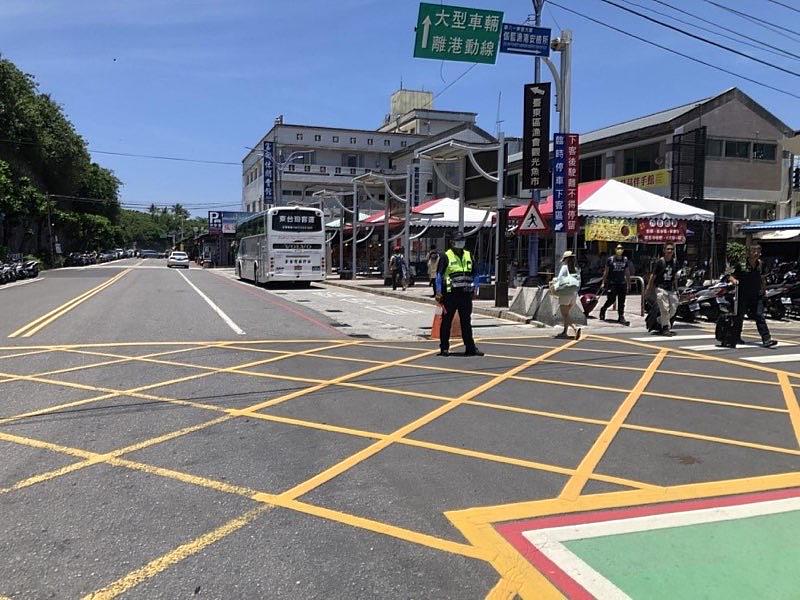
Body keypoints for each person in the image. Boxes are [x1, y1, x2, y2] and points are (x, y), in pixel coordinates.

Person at [435, 233, 483, 357]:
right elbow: (439, 275)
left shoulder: (469, 255)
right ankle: (444, 348)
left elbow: (476, 273)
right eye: (458, 241)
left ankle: (470, 348)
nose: (461, 243)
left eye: (462, 240)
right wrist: (439, 292)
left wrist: (476, 288)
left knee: (466, 322)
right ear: (452, 242)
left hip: (465, 294)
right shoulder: (446, 256)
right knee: (446, 322)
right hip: (450, 295)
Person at [726, 244, 777, 348]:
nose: (756, 253)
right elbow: (729, 275)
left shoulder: (761, 264)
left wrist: (764, 290)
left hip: (757, 294)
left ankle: (766, 339)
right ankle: (735, 337)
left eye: (758, 251)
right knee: (739, 317)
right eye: (754, 251)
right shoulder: (741, 264)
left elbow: (762, 278)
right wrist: (734, 280)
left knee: (759, 315)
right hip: (743, 294)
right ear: (748, 253)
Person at [645, 243, 679, 336]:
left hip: (671, 289)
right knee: (664, 309)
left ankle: (659, 320)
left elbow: (675, 277)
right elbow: (653, 275)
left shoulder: (675, 262)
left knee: (673, 309)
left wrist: (676, 289)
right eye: (668, 249)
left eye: (671, 249)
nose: (670, 251)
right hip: (661, 288)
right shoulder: (660, 262)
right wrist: (648, 288)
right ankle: (665, 328)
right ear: (664, 250)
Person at [598, 244, 632, 326]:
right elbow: (606, 272)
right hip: (612, 283)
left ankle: (621, 316)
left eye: (621, 248)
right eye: (618, 248)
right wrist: (603, 282)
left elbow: (627, 272)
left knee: (622, 301)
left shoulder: (625, 260)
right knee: (611, 299)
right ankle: (603, 309)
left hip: (622, 283)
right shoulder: (610, 260)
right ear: (615, 249)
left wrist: (628, 283)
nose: (619, 250)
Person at [553, 250, 582, 340]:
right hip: (574, 293)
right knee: (567, 313)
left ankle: (575, 328)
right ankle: (565, 332)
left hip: (565, 293)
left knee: (564, 314)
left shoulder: (564, 268)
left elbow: (560, 279)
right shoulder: (577, 268)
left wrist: (554, 283)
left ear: (565, 259)